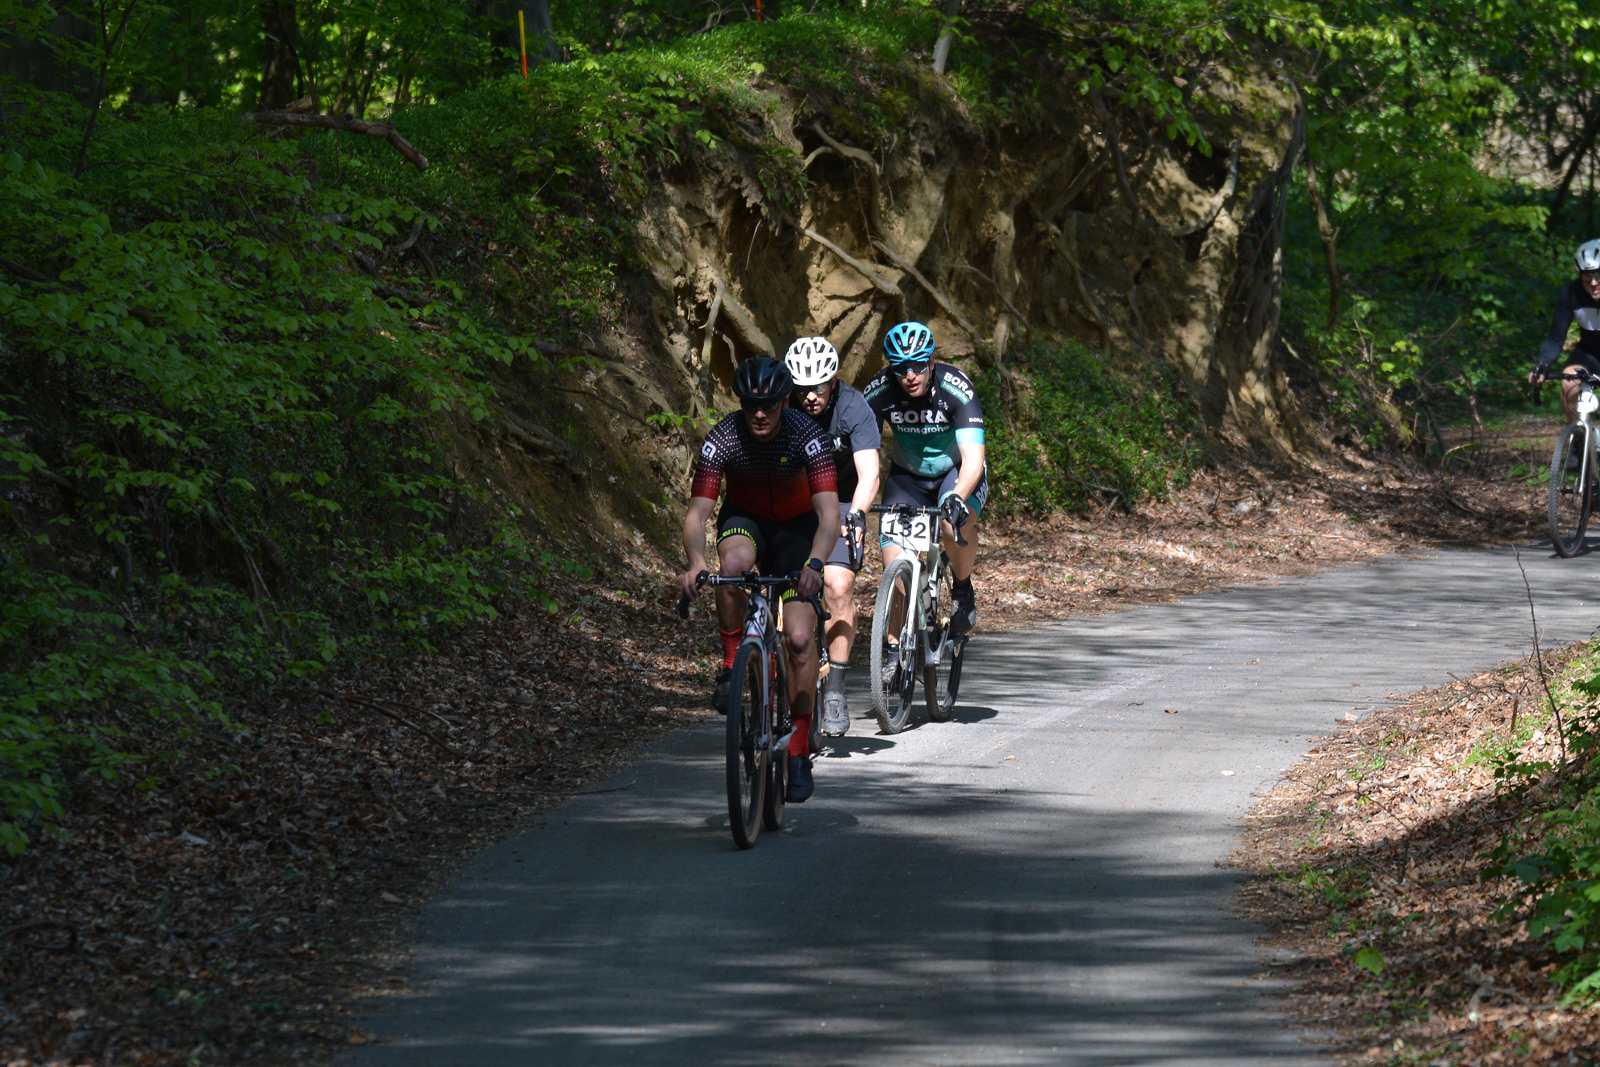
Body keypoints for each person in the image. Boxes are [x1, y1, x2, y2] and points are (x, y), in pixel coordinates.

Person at [679, 355, 840, 802]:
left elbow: (829, 515)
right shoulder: (723, 438)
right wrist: (696, 562)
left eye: (769, 404)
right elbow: (697, 513)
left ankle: (799, 750)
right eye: (751, 404)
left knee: (801, 640)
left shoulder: (809, 437)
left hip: (797, 533)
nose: (760, 414)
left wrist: (815, 565)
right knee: (729, 569)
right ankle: (733, 664)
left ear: (784, 400)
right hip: (745, 520)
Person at [862, 321, 987, 634]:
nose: (910, 376)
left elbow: (974, 458)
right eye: (900, 368)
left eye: (918, 366)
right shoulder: (880, 390)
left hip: (955, 473)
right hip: (908, 479)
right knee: (893, 562)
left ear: (932, 361)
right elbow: (864, 456)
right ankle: (892, 653)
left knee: (952, 522)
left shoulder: (955, 387)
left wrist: (958, 496)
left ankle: (961, 587)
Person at [784, 336, 881, 737]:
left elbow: (869, 472)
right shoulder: (782, 404)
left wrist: (857, 514)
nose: (810, 397)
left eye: (819, 387)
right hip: (793, 501)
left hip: (841, 501)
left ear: (835, 381)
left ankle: (837, 688)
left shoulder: (854, 406)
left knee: (838, 586)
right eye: (802, 388)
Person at [1530, 238, 1600, 427]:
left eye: (1598, 275)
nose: (1593, 282)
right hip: (1590, 354)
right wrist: (1542, 365)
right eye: (1587, 276)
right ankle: (1577, 440)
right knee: (1570, 383)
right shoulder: (1571, 294)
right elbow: (1555, 337)